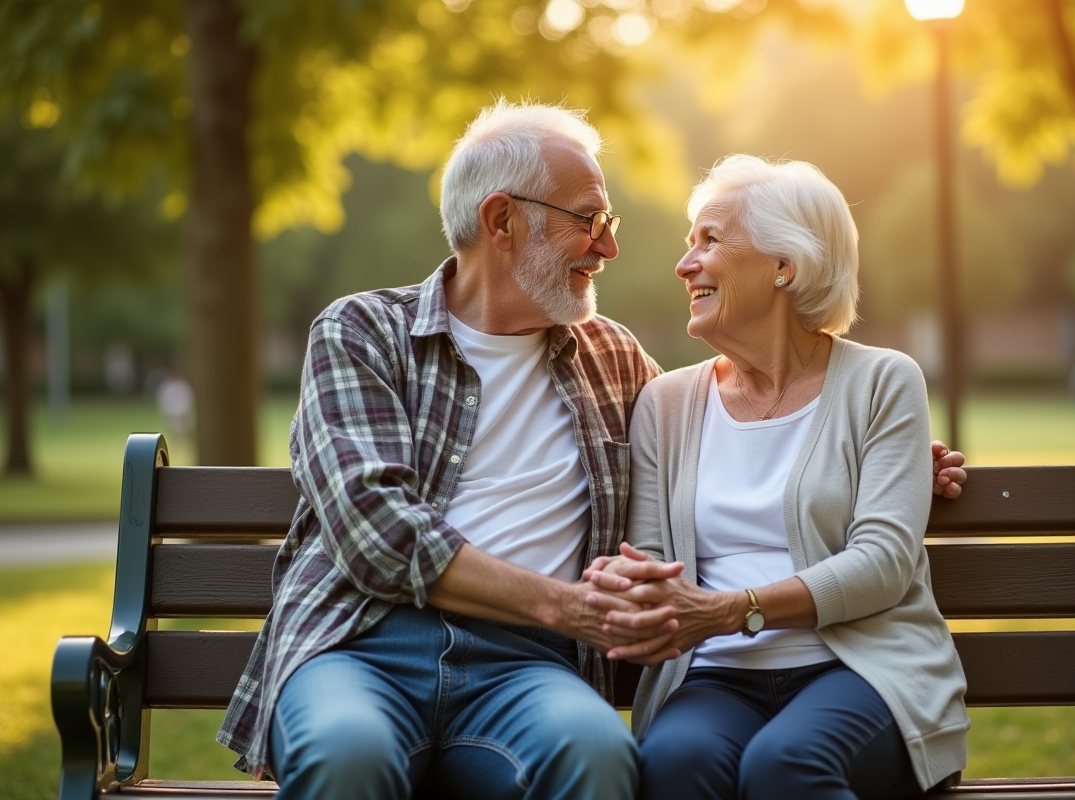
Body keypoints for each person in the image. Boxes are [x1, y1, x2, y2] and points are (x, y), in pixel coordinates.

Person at [217, 101, 967, 800]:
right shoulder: (362, 334)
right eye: (589, 220)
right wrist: (567, 607)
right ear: (502, 220)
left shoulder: (611, 358)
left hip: (523, 668)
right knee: (349, 754)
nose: (611, 246)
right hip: (365, 642)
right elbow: (374, 527)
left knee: (600, 755)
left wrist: (891, 460)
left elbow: (767, 424)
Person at [585, 155, 970, 800]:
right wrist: (636, 585)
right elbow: (651, 555)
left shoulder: (881, 381)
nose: (685, 265)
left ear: (784, 265)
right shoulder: (666, 403)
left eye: (711, 241)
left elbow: (882, 562)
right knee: (673, 767)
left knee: (785, 768)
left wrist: (731, 610)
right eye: (689, 244)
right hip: (713, 681)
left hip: (860, 668)